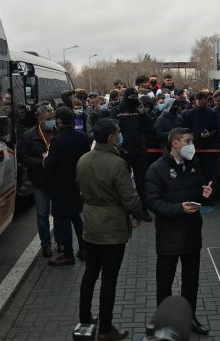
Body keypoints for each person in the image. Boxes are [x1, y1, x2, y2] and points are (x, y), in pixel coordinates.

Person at [77, 119, 144, 341]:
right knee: (109, 279)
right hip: (113, 227)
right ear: (112, 138)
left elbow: (81, 189)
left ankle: (85, 319)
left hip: (90, 223)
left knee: (90, 274)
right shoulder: (117, 163)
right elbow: (129, 197)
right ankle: (106, 329)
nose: (120, 136)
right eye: (118, 133)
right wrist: (138, 214)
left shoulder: (84, 159)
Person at [145, 128, 213, 336]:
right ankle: (163, 324)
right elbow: (153, 202)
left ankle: (189, 317)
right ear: (174, 143)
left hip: (192, 233)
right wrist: (178, 209)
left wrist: (206, 195)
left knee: (191, 282)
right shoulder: (156, 169)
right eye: (188, 140)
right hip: (169, 235)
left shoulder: (194, 165)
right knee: (164, 282)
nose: (192, 144)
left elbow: (198, 196)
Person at [44, 107, 91, 265]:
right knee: (76, 217)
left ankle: (68, 254)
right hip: (78, 183)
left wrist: (45, 159)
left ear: (59, 121)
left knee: (63, 219)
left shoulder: (57, 140)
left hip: (61, 186)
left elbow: (51, 164)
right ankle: (84, 249)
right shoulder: (83, 137)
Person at [18, 104, 59, 257]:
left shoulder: (58, 131)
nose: (52, 121)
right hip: (40, 181)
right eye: (48, 119)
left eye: (53, 118)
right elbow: (22, 157)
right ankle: (46, 245)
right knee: (42, 215)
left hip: (57, 180)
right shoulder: (29, 135)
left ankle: (61, 242)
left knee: (59, 213)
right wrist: (41, 163)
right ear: (40, 120)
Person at [110, 87, 154, 221]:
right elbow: (112, 129)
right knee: (123, 182)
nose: (133, 100)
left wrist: (143, 113)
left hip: (139, 151)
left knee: (141, 182)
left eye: (136, 97)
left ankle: (143, 209)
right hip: (123, 152)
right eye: (131, 98)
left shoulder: (139, 110)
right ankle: (125, 210)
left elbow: (149, 128)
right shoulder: (116, 110)